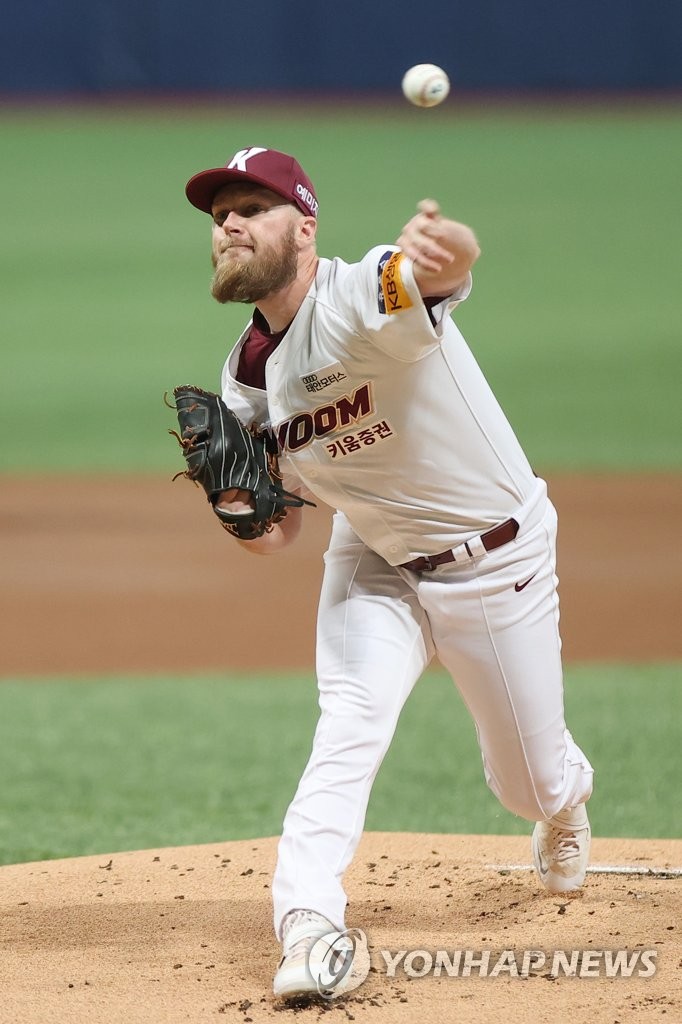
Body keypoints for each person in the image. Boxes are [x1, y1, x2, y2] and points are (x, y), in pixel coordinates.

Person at [183, 146, 594, 1001]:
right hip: (374, 556)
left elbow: (434, 274)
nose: (227, 223)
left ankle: (565, 796)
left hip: (495, 556)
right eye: (219, 213)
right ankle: (308, 924)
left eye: (249, 208)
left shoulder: (360, 294)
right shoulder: (244, 377)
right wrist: (236, 507)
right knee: (350, 723)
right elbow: (277, 536)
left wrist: (452, 250)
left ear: (304, 227)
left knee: (528, 783)